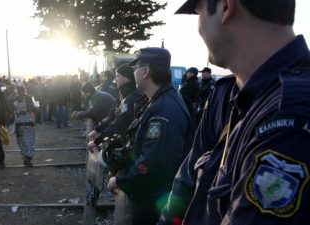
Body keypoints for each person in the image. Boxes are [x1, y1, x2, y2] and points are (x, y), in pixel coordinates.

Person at [159, 0, 310, 224]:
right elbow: (188, 179)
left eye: (198, 11)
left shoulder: (290, 112)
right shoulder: (230, 95)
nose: (198, 27)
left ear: (226, 7)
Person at [106, 47, 192, 225]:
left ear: (146, 72)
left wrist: (120, 179)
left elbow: (153, 165)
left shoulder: (164, 109)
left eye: (136, 67)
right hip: (153, 197)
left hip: (155, 202)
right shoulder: (159, 101)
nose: (133, 71)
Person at [87, 63, 143, 152]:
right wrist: (97, 130)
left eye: (118, 76)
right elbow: (111, 116)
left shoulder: (133, 97)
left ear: (127, 78)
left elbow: (120, 124)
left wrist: (96, 141)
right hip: (121, 141)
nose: (115, 79)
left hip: (130, 145)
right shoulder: (122, 94)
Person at [13, 83, 36, 167]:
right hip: (28, 121)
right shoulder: (28, 97)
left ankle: (24, 157)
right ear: (24, 89)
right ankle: (28, 157)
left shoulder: (14, 99)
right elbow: (33, 109)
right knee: (29, 140)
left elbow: (12, 109)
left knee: (21, 141)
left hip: (18, 122)